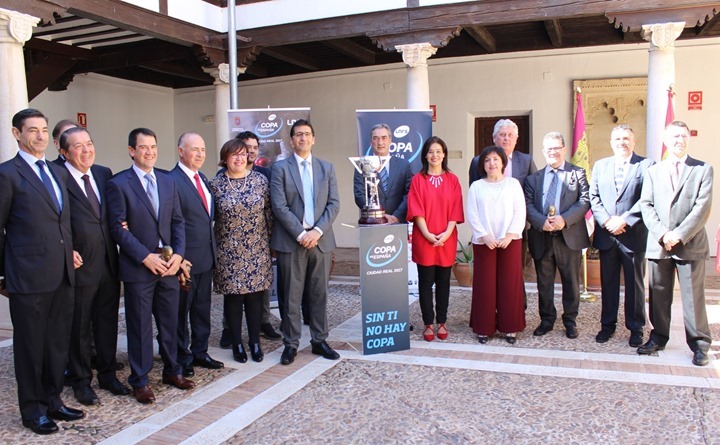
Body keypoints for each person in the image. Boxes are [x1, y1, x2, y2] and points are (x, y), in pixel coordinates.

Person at [0, 108, 85, 434]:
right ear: (17, 133)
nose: (38, 136)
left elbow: (62, 222)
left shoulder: (56, 172)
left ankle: (53, 401)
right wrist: (4, 273)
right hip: (28, 277)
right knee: (31, 347)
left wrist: (70, 251)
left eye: (43, 129)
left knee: (56, 344)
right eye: (31, 130)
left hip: (62, 274)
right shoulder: (8, 174)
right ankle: (32, 410)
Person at [107, 127, 195, 404]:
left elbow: (178, 222)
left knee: (170, 322)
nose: (150, 152)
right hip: (139, 266)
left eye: (153, 147)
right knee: (140, 326)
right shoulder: (119, 184)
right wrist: (145, 257)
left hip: (169, 265)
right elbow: (117, 228)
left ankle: (173, 371)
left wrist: (179, 257)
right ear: (132, 151)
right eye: (143, 147)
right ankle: (140, 380)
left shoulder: (169, 182)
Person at [58, 127, 129, 405]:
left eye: (89, 143)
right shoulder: (57, 177)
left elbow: (112, 211)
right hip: (79, 265)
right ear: (63, 152)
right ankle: (81, 380)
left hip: (109, 263)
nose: (86, 150)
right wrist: (65, 249)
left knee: (107, 322)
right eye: (78, 146)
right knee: (80, 326)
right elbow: (53, 219)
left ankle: (108, 374)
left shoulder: (103, 173)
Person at [638, 121, 713, 367]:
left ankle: (700, 344)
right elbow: (646, 205)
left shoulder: (703, 169)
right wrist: (663, 234)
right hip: (660, 244)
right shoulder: (653, 171)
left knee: (693, 299)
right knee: (658, 295)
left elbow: (702, 209)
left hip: (689, 244)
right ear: (665, 140)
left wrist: (678, 234)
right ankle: (658, 337)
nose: (679, 140)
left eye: (683, 135)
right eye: (674, 136)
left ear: (689, 138)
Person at [270, 119, 340, 365]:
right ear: (292, 141)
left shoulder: (326, 168)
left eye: (307, 134)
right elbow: (279, 206)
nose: (303, 138)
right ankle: (290, 344)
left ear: (314, 138)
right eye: (298, 134)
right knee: (290, 296)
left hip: (320, 241)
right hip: (292, 241)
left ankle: (319, 340)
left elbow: (334, 204)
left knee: (319, 295)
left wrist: (317, 231)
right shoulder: (280, 169)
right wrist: (301, 234)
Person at [589, 124, 653, 347]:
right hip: (607, 234)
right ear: (611, 142)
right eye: (617, 139)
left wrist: (624, 220)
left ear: (634, 141)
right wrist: (607, 221)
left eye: (626, 138)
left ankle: (636, 328)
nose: (622, 142)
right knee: (608, 283)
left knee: (635, 285)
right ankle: (607, 326)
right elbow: (593, 196)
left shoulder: (646, 165)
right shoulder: (600, 165)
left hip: (632, 234)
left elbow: (646, 198)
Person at [210, 139, 273, 363]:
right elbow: (210, 219)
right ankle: (237, 343)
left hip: (257, 248)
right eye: (233, 154)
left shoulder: (260, 181)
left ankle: (254, 341)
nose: (238, 158)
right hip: (229, 251)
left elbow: (269, 213)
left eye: (243, 154)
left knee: (256, 298)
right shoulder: (215, 185)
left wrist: (271, 244)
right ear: (225, 158)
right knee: (234, 300)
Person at [525, 131, 590, 339]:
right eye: (549, 149)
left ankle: (570, 321)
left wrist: (564, 219)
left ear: (563, 149)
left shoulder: (577, 173)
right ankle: (547, 320)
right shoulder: (533, 179)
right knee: (544, 281)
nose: (553, 152)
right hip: (542, 236)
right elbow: (527, 204)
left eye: (556, 148)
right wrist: (541, 221)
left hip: (568, 236)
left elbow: (584, 201)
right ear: (544, 152)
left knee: (571, 281)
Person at [169, 133, 224, 377]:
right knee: (181, 312)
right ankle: (182, 356)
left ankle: (200, 351)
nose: (200, 154)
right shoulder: (172, 181)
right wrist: (178, 257)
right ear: (181, 151)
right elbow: (171, 223)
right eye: (194, 150)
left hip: (205, 257)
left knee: (202, 309)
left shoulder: (202, 178)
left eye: (203, 149)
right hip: (186, 261)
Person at [466, 146, 526, 344]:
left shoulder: (513, 184)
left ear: (502, 162)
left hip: (510, 240)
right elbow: (472, 213)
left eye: (495, 159)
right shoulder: (476, 186)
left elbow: (520, 211)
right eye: (487, 160)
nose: (491, 163)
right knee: (485, 285)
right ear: (482, 165)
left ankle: (510, 328)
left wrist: (509, 235)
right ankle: (484, 328)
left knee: (510, 284)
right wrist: (484, 236)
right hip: (485, 242)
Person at [406, 136, 464, 342]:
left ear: (444, 154)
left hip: (446, 239)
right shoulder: (417, 180)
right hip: (425, 239)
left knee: (443, 282)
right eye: (431, 151)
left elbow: (455, 210)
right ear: (425, 155)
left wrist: (446, 234)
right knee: (425, 283)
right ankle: (428, 323)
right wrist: (428, 234)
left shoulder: (453, 180)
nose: (435, 155)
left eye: (438, 151)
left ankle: (442, 321)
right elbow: (416, 210)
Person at [353, 123, 413, 223]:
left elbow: (409, 194)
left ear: (390, 140)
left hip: (397, 222)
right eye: (375, 138)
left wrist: (396, 216)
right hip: (371, 222)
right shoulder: (362, 165)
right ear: (370, 142)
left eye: (384, 138)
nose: (380, 142)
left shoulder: (404, 165)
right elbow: (359, 195)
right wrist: (379, 215)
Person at [468, 119, 537, 187]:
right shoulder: (478, 161)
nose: (506, 138)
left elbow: (534, 188)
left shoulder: (526, 161)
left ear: (516, 139)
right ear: (494, 138)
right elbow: (473, 189)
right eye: (502, 134)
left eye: (510, 135)